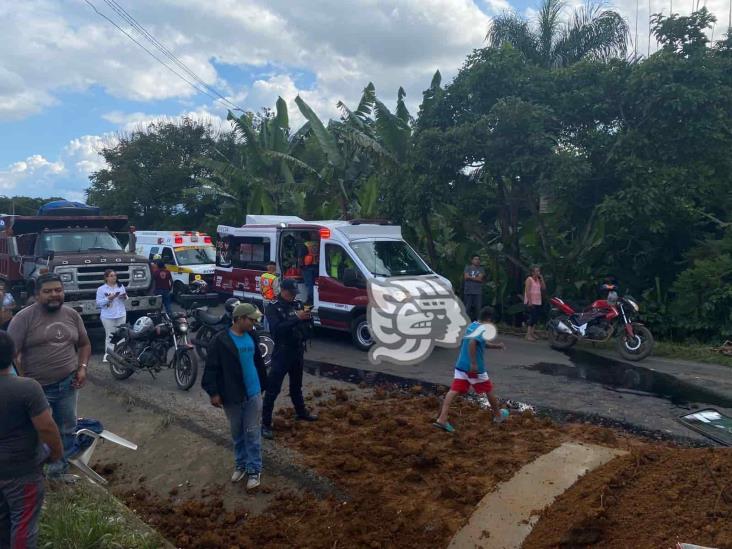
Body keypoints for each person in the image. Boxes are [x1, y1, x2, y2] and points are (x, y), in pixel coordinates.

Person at [7, 272, 91, 478]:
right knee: (40, 431)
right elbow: (11, 355)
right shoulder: (23, 318)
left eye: (58, 290)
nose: (54, 295)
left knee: (67, 428)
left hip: (68, 384)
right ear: (37, 295)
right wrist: (24, 381)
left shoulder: (72, 315)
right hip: (36, 389)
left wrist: (82, 367)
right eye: (47, 291)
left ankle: (59, 472)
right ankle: (36, 473)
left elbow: (84, 343)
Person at [0, 331, 64, 549]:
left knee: (2, 520)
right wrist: (55, 453)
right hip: (22, 471)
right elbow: (46, 427)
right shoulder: (27, 388)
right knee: (24, 523)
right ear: (12, 355)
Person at [201, 303, 267, 491]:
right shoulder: (220, 340)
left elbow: (259, 363)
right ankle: (241, 464)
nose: (254, 323)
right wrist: (213, 393)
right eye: (251, 319)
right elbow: (211, 368)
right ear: (239, 319)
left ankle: (254, 469)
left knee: (253, 432)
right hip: (232, 395)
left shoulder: (252, 336)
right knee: (237, 432)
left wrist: (263, 385)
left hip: (253, 392)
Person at [434, 307, 507, 433]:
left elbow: (480, 342)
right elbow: (472, 343)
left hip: (461, 365)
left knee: (453, 390)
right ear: (489, 319)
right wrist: (473, 364)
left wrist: (496, 346)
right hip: (473, 368)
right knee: (488, 389)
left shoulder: (472, 325)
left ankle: (442, 418)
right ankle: (498, 415)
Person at [261, 279, 317, 439]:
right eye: (291, 293)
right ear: (283, 291)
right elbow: (277, 330)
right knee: (273, 389)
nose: (293, 296)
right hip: (282, 352)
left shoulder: (297, 305)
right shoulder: (273, 308)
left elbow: (306, 328)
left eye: (295, 293)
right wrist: (297, 318)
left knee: (296, 386)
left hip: (297, 351)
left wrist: (307, 318)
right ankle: (265, 424)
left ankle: (301, 412)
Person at [96, 269, 127, 363]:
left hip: (121, 313)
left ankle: (121, 353)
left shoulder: (120, 286)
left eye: (115, 275)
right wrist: (108, 298)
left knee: (121, 334)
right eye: (111, 276)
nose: (114, 277)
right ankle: (108, 354)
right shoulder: (101, 289)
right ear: (106, 278)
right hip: (108, 315)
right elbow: (98, 303)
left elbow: (126, 298)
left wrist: (124, 297)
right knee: (110, 335)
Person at [523, 265, 546, 342]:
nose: (538, 272)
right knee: (532, 318)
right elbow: (527, 290)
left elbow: (543, 288)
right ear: (532, 272)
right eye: (536, 271)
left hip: (538, 301)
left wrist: (542, 278)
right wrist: (530, 301)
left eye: (539, 271)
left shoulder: (538, 280)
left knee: (536, 318)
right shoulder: (529, 279)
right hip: (531, 301)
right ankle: (528, 334)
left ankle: (532, 333)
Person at [463, 255, 486, 321]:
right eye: (475, 259)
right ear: (472, 261)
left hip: (478, 291)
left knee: (478, 309)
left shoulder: (481, 269)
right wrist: (476, 278)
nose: (477, 261)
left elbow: (480, 279)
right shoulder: (467, 267)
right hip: (468, 290)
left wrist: (470, 277)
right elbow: (466, 277)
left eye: (478, 259)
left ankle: (478, 322)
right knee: (467, 308)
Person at [260, 262, 279, 330]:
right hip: (272, 301)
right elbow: (276, 291)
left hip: (264, 299)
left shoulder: (263, 276)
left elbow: (260, 288)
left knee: (265, 316)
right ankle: (269, 333)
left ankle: (265, 330)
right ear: (274, 268)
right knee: (271, 317)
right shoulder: (274, 278)